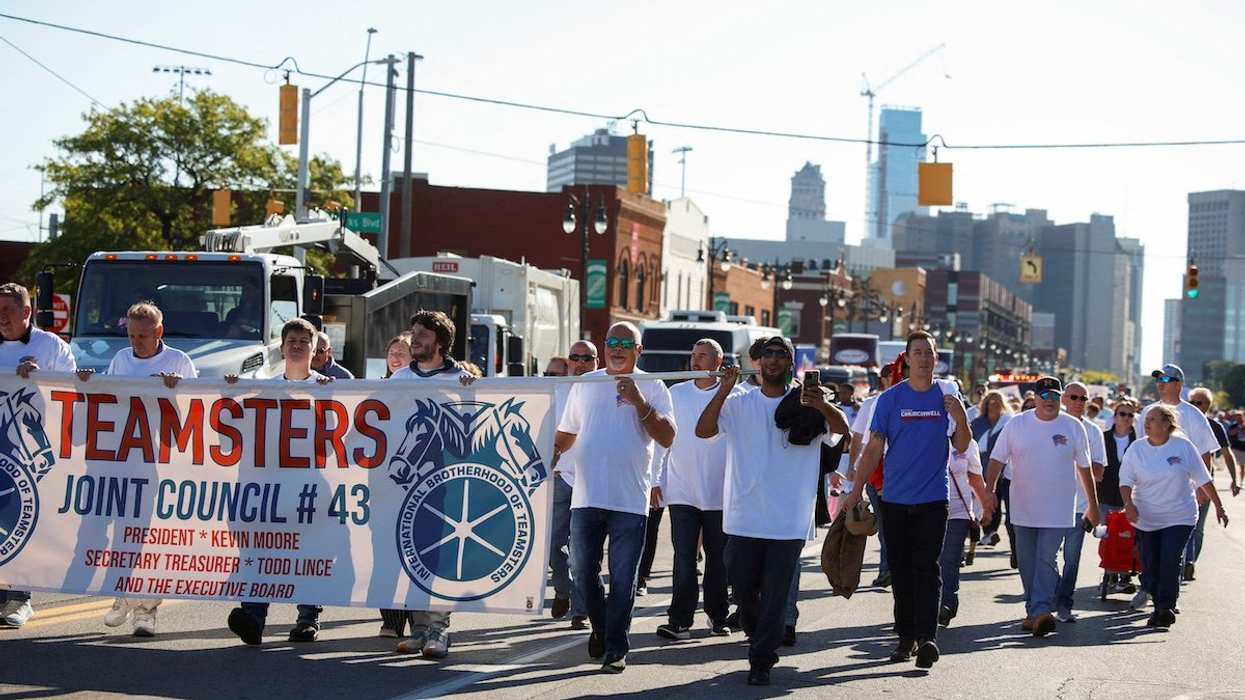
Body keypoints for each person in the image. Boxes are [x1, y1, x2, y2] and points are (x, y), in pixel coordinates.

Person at [696, 336, 848, 686]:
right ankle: (756, 629)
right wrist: (722, 390)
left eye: (782, 354)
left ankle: (761, 660)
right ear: (759, 362)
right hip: (743, 516)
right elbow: (703, 431)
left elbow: (842, 430)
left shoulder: (808, 403)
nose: (774, 360)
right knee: (743, 588)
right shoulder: (739, 402)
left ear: (791, 363)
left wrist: (822, 405)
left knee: (777, 593)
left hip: (788, 520)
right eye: (768, 354)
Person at [841, 331, 972, 670]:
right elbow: (873, 448)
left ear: (935, 358)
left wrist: (960, 415)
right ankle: (905, 637)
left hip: (933, 499)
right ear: (908, 359)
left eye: (930, 353)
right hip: (894, 499)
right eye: (918, 353)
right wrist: (855, 491)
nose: (925, 359)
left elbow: (961, 445)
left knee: (927, 568)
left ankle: (927, 638)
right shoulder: (890, 400)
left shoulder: (946, 396)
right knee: (900, 571)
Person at [555, 322, 675, 674]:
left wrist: (639, 401)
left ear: (639, 351)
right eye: (612, 342)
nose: (617, 348)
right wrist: (550, 455)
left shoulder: (653, 385)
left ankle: (616, 648)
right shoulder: (586, 384)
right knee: (582, 572)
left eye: (626, 343)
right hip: (587, 494)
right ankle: (601, 627)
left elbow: (666, 437)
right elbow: (567, 432)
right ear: (604, 346)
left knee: (623, 578)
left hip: (629, 500)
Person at [76, 301, 196, 636]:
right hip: (122, 461)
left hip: (160, 465)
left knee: (147, 536)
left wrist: (177, 391)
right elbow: (109, 402)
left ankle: (146, 609)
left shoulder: (179, 362)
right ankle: (122, 594)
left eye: (142, 335)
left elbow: (197, 415)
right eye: (131, 335)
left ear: (159, 332)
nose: (136, 342)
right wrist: (89, 383)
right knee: (119, 533)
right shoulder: (121, 359)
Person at [224, 318, 333, 645]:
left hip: (310, 486)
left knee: (308, 550)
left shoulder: (331, 388)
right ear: (282, 347)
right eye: (292, 340)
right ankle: (253, 619)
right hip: (268, 487)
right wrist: (230, 390)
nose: (298, 345)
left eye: (304, 340)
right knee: (260, 548)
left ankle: (307, 618)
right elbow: (230, 420)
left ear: (315, 349)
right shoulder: (264, 388)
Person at [384, 310, 474, 658]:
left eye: (422, 334)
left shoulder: (460, 378)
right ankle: (418, 630)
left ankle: (439, 630)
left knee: (439, 558)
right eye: (414, 333)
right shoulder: (401, 377)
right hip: (406, 486)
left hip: (446, 487)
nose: (415, 338)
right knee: (411, 556)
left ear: (440, 342)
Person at [985, 376, 1098, 640]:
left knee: (1046, 559)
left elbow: (1085, 468)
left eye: (1055, 397)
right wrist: (988, 493)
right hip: (1023, 507)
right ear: (1035, 398)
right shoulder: (1017, 424)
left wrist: (1093, 506)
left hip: (1059, 509)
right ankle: (1034, 612)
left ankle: (1040, 611)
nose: (1050, 401)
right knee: (1026, 562)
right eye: (1044, 396)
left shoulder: (1073, 427)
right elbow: (996, 460)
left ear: (1060, 398)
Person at [653, 339, 741, 641]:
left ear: (718, 361)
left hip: (720, 494)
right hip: (682, 491)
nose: (695, 360)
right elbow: (661, 442)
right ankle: (679, 619)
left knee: (718, 559)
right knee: (684, 557)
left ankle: (718, 617)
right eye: (693, 355)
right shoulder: (675, 393)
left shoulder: (736, 396)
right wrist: (656, 480)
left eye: (703, 356)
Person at [0, 282, 76, 628]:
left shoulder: (50, 346)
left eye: (8, 310)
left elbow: (77, 389)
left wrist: (43, 377)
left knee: (20, 521)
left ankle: (20, 599)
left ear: (27, 312)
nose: (1, 318)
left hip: (26, 453)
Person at [1120, 404, 1229, 628]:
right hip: (1146, 517)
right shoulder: (1137, 449)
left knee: (1170, 559)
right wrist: (1128, 504)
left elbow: (1203, 478)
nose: (1147, 423)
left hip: (1180, 515)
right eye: (1146, 419)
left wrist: (1219, 506)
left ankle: (1164, 608)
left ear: (1167, 424)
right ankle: (1156, 597)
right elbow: (1125, 481)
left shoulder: (1183, 447)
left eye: (1153, 419)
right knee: (1150, 563)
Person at [548, 340, 598, 630]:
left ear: (596, 361)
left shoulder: (606, 387)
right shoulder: (556, 390)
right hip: (559, 478)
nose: (580, 362)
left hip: (591, 483)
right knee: (555, 547)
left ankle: (581, 610)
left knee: (582, 550)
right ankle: (563, 589)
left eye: (586, 358)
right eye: (574, 357)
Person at [1054, 382, 1107, 623]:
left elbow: (1098, 473)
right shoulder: (1051, 423)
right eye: (1073, 397)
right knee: (1046, 557)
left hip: (1079, 505)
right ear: (1064, 399)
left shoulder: (1094, 431)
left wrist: (1074, 458)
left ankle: (1064, 604)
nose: (1078, 402)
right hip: (1050, 502)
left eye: (1083, 398)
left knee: (1072, 559)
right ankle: (1050, 597)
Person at [1183, 388, 1240, 580]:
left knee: (1197, 527)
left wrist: (1235, 479)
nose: (1196, 407)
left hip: (1204, 482)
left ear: (1208, 406)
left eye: (1201, 403)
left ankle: (1190, 562)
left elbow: (1227, 453)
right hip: (1180, 481)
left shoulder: (1214, 427)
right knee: (1182, 524)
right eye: (1194, 403)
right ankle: (1182, 562)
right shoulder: (1179, 422)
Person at [938, 437, 993, 627]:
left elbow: (975, 478)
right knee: (927, 560)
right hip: (926, 507)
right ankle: (925, 605)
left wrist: (985, 506)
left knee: (949, 559)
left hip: (958, 510)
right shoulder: (920, 433)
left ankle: (947, 603)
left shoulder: (967, 442)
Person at [1100, 397, 1139, 593]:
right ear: (1114, 417)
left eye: (1130, 415)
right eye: (1122, 414)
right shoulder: (1103, 437)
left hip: (1129, 496)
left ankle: (1125, 575)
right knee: (1107, 534)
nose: (1125, 418)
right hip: (1106, 494)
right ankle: (1109, 573)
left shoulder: (1139, 441)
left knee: (1127, 534)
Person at [971, 390, 1014, 560]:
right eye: (991, 401)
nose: (995, 404)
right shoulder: (977, 423)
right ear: (986, 403)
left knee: (1004, 504)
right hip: (981, 469)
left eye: (998, 401)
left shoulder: (1009, 422)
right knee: (986, 502)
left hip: (1006, 471)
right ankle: (989, 532)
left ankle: (995, 532)